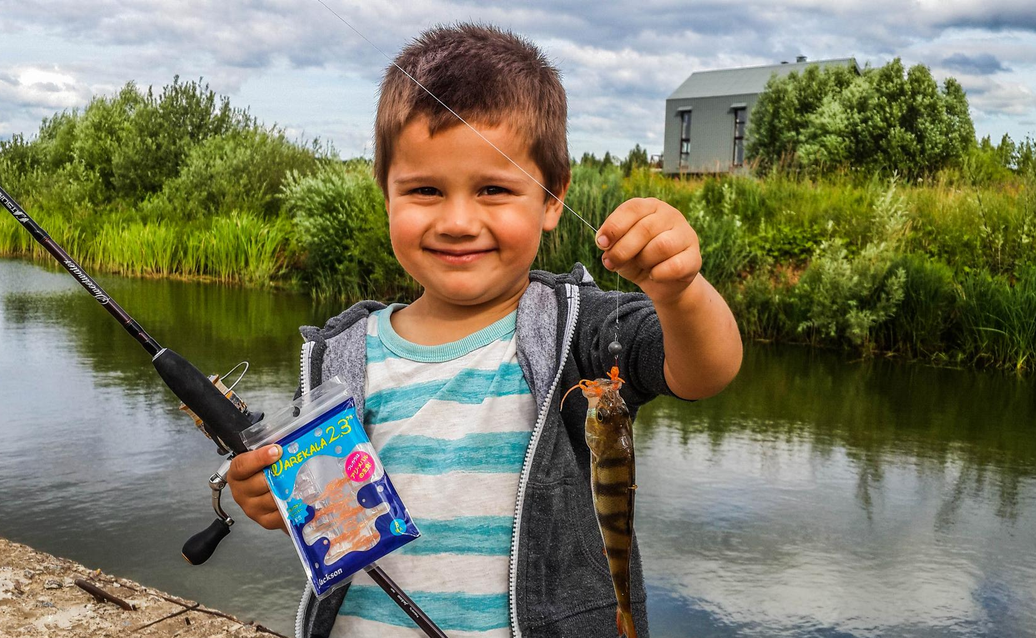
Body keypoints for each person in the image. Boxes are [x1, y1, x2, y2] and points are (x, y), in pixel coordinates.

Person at [226, 23, 742, 638]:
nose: (459, 221)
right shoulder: (342, 355)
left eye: (494, 189)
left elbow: (705, 371)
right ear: (385, 195)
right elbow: (327, 505)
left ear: (553, 200)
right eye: (424, 190)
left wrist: (678, 291)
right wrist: (274, 495)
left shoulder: (577, 330)